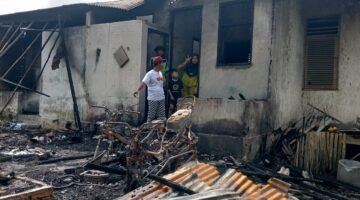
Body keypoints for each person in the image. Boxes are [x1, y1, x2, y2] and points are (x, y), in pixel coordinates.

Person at [133, 56, 166, 122]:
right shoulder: (150, 74)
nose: (163, 64)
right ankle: (148, 130)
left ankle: (159, 131)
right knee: (151, 116)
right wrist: (137, 90)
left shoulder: (160, 73)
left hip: (161, 98)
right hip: (153, 99)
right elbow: (143, 83)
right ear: (158, 64)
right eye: (162, 62)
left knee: (161, 116)